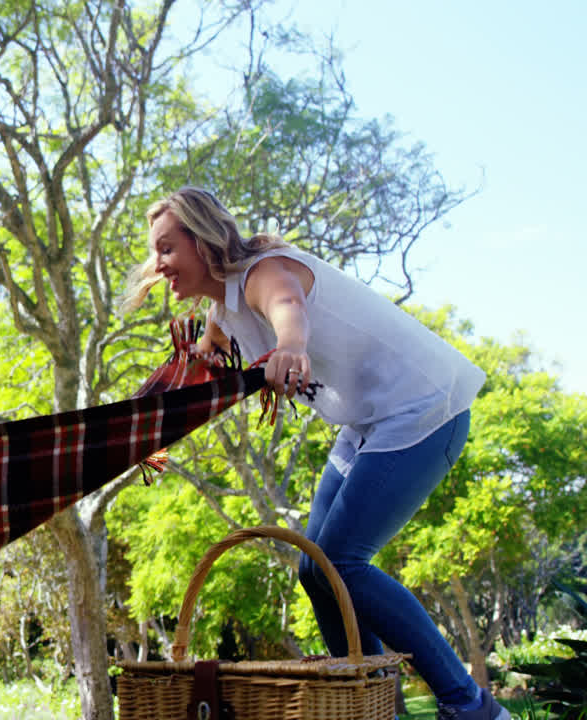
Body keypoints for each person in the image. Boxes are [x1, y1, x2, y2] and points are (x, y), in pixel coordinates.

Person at [120, 187, 504, 720]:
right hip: (366, 424)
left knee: (342, 561)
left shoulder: (264, 273)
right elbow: (207, 354)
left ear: (203, 240)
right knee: (314, 568)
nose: (157, 265)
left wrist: (292, 345)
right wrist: (148, 421)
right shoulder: (222, 306)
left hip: (423, 409)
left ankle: (472, 708)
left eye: (166, 248)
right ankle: (373, 706)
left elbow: (287, 306)